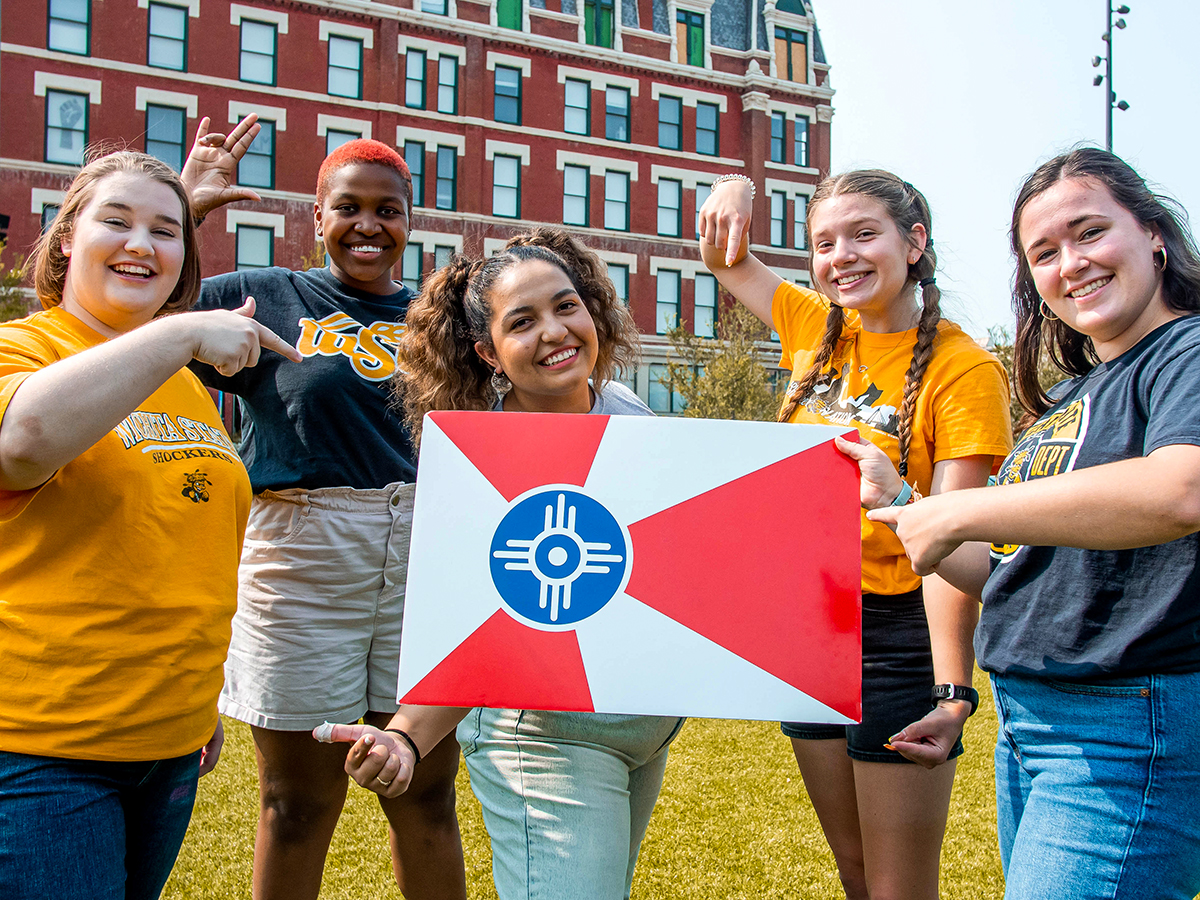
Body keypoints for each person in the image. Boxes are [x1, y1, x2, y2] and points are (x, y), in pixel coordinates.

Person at [869, 148, 1200, 900]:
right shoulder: (1075, 395)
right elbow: (1012, 569)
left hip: (1126, 722)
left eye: (1090, 232)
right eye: (1044, 252)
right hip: (1033, 725)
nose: (1071, 263)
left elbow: (1183, 487)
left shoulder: (1187, 351)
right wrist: (914, 510)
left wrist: (962, 508)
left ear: (1153, 232)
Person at [320, 228, 686, 900]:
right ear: (489, 352)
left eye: (566, 305)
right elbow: (476, 631)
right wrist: (406, 735)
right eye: (523, 322)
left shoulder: (629, 414)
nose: (555, 331)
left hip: (640, 727)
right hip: (544, 731)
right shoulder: (479, 465)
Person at [697, 171, 1013, 899]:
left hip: (897, 634)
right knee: (855, 870)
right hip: (807, 628)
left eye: (864, 234)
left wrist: (952, 689)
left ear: (915, 242)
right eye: (823, 242)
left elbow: (953, 547)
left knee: (900, 887)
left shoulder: (965, 370)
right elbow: (727, 260)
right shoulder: (816, 327)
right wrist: (737, 184)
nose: (842, 255)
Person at [0, 150, 298, 899]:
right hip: (38, 750)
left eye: (167, 231)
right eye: (117, 221)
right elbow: (21, 447)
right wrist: (182, 333)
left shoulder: (180, 384)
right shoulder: (23, 349)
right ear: (67, 237)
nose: (142, 244)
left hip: (168, 746)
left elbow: (179, 535)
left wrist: (194, 701)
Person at [181, 119, 465, 900]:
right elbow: (141, 307)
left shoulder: (439, 317)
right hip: (302, 555)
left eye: (388, 210)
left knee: (427, 794)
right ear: (317, 217)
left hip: (421, 559)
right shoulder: (266, 294)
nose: (368, 225)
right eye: (349, 207)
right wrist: (187, 204)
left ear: (410, 220)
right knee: (298, 803)